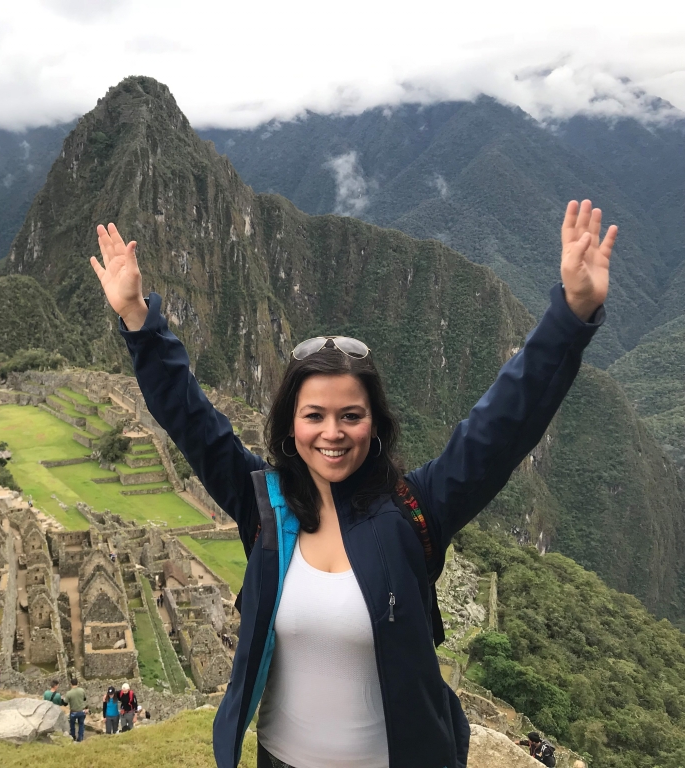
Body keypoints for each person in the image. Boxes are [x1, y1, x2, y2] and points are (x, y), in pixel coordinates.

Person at [89, 202, 616, 768]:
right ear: (291, 425)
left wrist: (572, 312)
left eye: (351, 416)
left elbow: (501, 429)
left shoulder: (415, 510)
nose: (332, 433)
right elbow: (190, 418)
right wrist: (139, 321)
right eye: (314, 415)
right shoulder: (264, 507)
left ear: (376, 424)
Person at [65, 677, 87, 742]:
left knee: (72, 724)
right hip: (81, 711)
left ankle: (73, 736)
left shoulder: (69, 693)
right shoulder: (82, 690)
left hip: (73, 712)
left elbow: (65, 702)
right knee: (81, 724)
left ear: (71, 684)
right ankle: (80, 738)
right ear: (77, 683)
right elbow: (84, 699)